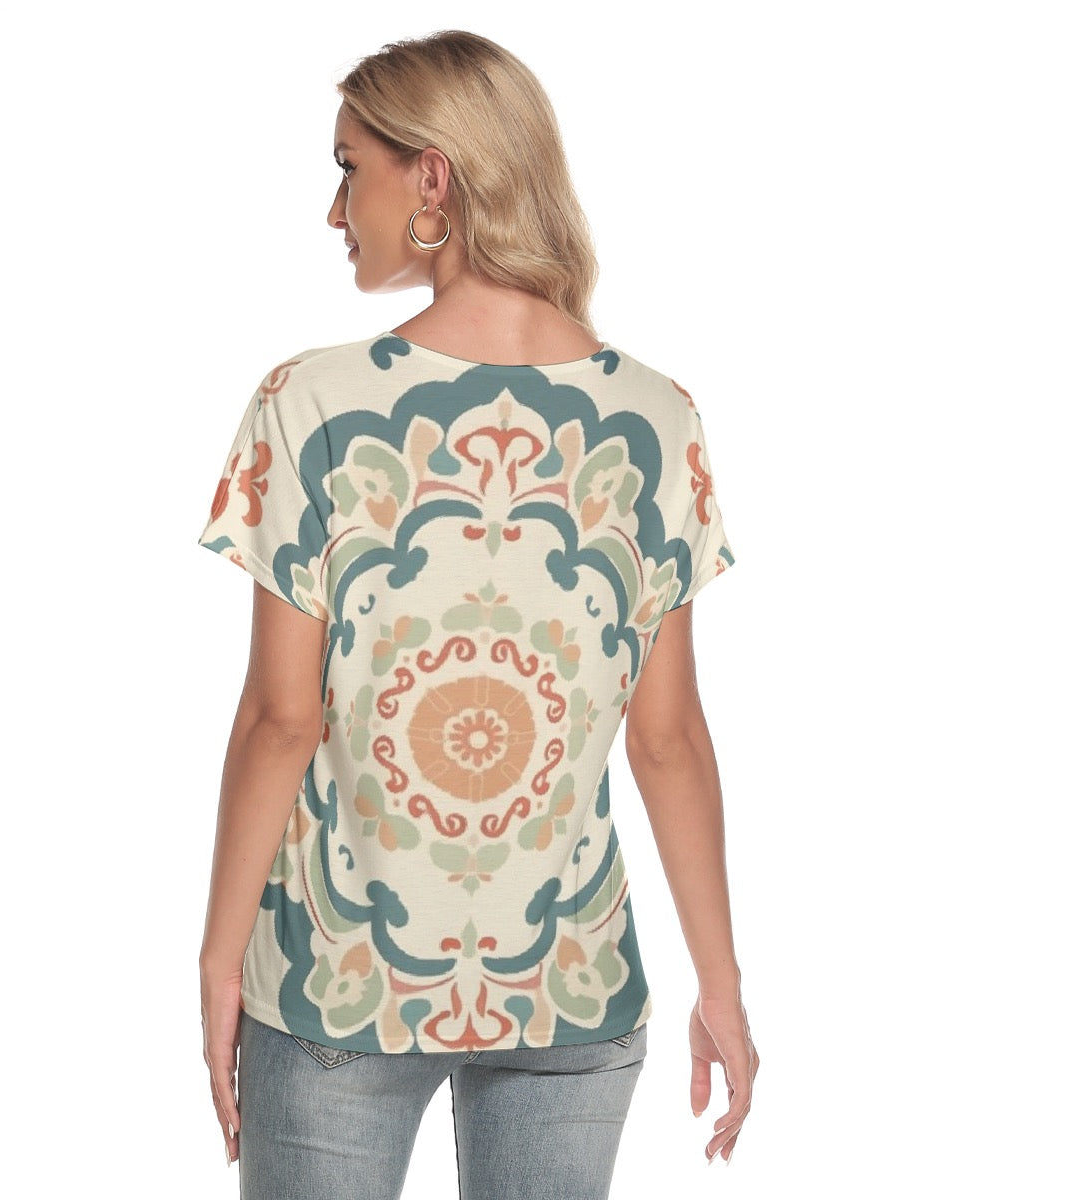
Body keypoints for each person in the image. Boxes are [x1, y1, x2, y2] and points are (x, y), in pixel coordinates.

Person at [196, 29, 759, 1200]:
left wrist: (218, 958)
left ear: (433, 177)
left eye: (350, 167)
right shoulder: (657, 419)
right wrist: (721, 985)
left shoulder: (313, 405)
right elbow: (668, 739)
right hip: (571, 982)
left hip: (338, 978)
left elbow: (280, 721)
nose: (335, 208)